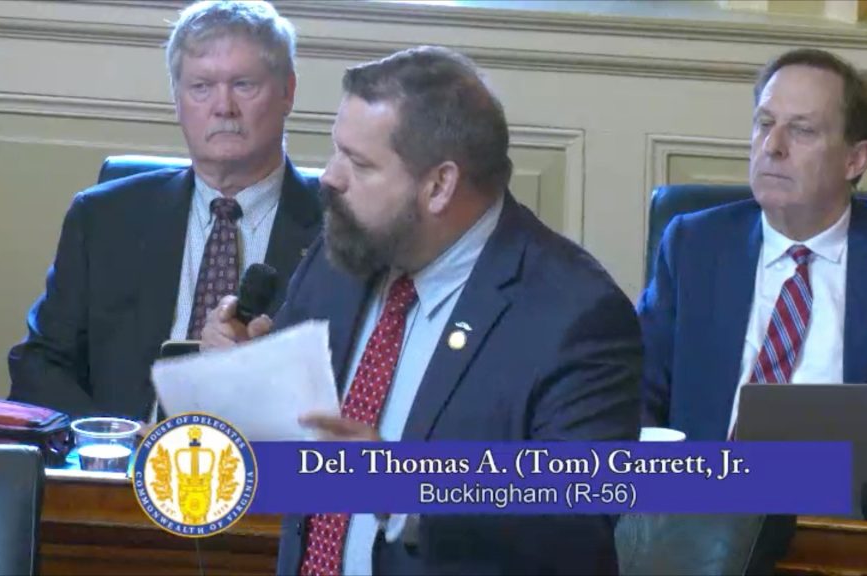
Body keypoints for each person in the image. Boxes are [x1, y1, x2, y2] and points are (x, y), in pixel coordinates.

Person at [201, 46, 641, 575]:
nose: (329, 178)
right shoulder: (341, 254)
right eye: (337, 151)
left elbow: (578, 527)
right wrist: (242, 372)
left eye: (359, 164)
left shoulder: (576, 316)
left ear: (439, 186)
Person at [638, 47, 867, 486]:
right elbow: (629, 387)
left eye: (802, 130)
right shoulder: (694, 245)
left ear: (856, 159)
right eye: (764, 123)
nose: (773, 147)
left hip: (846, 510)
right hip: (700, 510)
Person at [7, 0, 322, 421]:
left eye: (244, 84)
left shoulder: (340, 227)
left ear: (288, 92)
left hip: (273, 471)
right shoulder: (104, 218)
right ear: (177, 99)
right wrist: (116, 439)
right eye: (201, 87)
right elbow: (38, 365)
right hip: (125, 470)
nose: (223, 107)